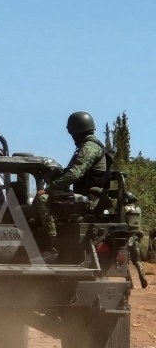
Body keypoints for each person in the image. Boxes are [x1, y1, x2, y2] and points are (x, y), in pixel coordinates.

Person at [33, 111, 110, 264]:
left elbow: (75, 172)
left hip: (90, 199)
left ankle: (52, 247)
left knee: (43, 199)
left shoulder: (89, 147)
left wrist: (50, 189)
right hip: (86, 196)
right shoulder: (88, 146)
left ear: (76, 131)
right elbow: (71, 171)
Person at [124, 192, 148, 289]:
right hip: (136, 237)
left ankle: (129, 282)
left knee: (124, 261)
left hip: (126, 237)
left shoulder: (124, 209)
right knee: (137, 261)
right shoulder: (138, 210)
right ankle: (143, 280)